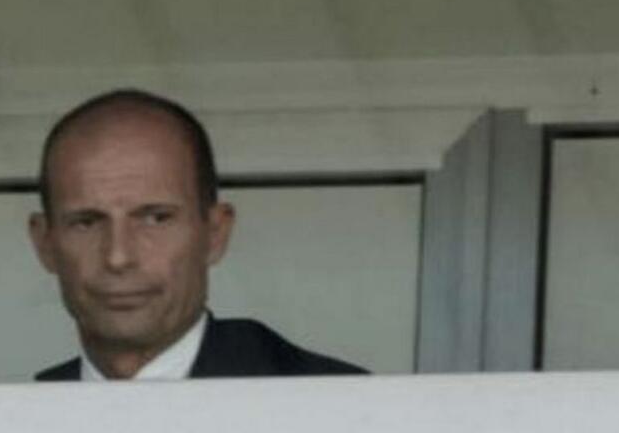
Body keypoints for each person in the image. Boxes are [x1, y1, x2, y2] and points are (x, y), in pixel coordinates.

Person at [28, 88, 367, 381]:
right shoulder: (16, 417)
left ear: (215, 234)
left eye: (156, 219)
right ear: (45, 244)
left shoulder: (343, 405)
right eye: (86, 223)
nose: (118, 257)